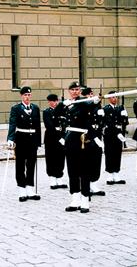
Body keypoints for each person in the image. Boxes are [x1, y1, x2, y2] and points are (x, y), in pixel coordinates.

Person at [55, 82, 100, 213]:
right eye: (73, 89)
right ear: (69, 91)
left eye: (77, 89)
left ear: (80, 91)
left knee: (84, 170)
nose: (75, 91)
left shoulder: (83, 102)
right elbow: (56, 114)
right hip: (70, 139)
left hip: (82, 139)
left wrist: (96, 101)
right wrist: (63, 104)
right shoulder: (67, 103)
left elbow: (90, 106)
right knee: (72, 170)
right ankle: (75, 199)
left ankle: (85, 199)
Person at [7, 86, 42, 202]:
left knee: (31, 164)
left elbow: (38, 126)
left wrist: (38, 141)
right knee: (20, 164)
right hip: (21, 138)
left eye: (29, 95)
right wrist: (10, 138)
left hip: (32, 139)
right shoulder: (16, 108)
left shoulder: (35, 108)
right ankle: (22, 189)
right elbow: (12, 123)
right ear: (21, 96)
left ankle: (30, 189)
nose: (27, 97)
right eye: (25, 95)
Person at [80, 87, 105, 197]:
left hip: (98, 134)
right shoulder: (83, 106)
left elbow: (100, 122)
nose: (91, 96)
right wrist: (94, 137)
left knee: (96, 159)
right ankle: (86, 184)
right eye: (89, 95)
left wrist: (102, 115)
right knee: (87, 161)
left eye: (92, 94)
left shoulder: (97, 105)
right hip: (88, 136)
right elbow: (85, 123)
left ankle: (94, 183)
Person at [103, 91, 128, 185]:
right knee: (109, 153)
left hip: (119, 133)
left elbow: (124, 122)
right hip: (110, 133)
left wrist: (125, 116)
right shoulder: (105, 109)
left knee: (117, 153)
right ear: (109, 98)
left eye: (116, 97)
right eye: (113, 97)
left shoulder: (120, 108)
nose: (115, 99)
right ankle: (110, 175)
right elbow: (107, 122)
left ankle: (116, 174)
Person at [43, 94, 67, 190]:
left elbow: (65, 123)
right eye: (53, 101)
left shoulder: (62, 111)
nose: (55, 103)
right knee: (51, 158)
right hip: (51, 138)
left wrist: (64, 136)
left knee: (61, 158)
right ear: (49, 102)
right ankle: (52, 178)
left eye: (56, 101)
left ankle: (59, 177)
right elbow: (49, 126)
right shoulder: (47, 112)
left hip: (61, 137)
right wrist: (59, 137)